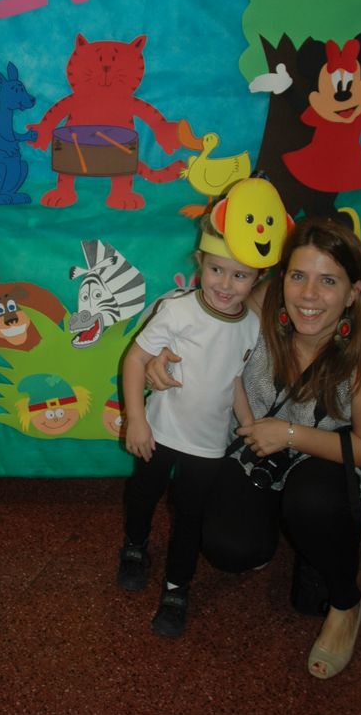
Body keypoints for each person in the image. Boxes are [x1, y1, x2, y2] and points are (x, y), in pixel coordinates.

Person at [144, 216, 361, 677]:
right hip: (256, 453)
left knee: (312, 504)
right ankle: (283, 531)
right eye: (298, 276)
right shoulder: (260, 307)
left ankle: (345, 602)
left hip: (325, 463)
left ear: (353, 292)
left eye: (328, 281)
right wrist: (159, 356)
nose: (308, 295)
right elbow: (196, 320)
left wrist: (288, 434)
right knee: (227, 549)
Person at [118, 183, 288, 638]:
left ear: (258, 278)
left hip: (208, 446)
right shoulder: (177, 311)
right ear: (200, 263)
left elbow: (233, 379)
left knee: (191, 517)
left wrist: (248, 424)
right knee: (143, 495)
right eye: (216, 270)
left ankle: (177, 588)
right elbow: (135, 360)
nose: (225, 285)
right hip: (158, 432)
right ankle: (134, 546)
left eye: (240, 276)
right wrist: (136, 418)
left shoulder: (250, 326)